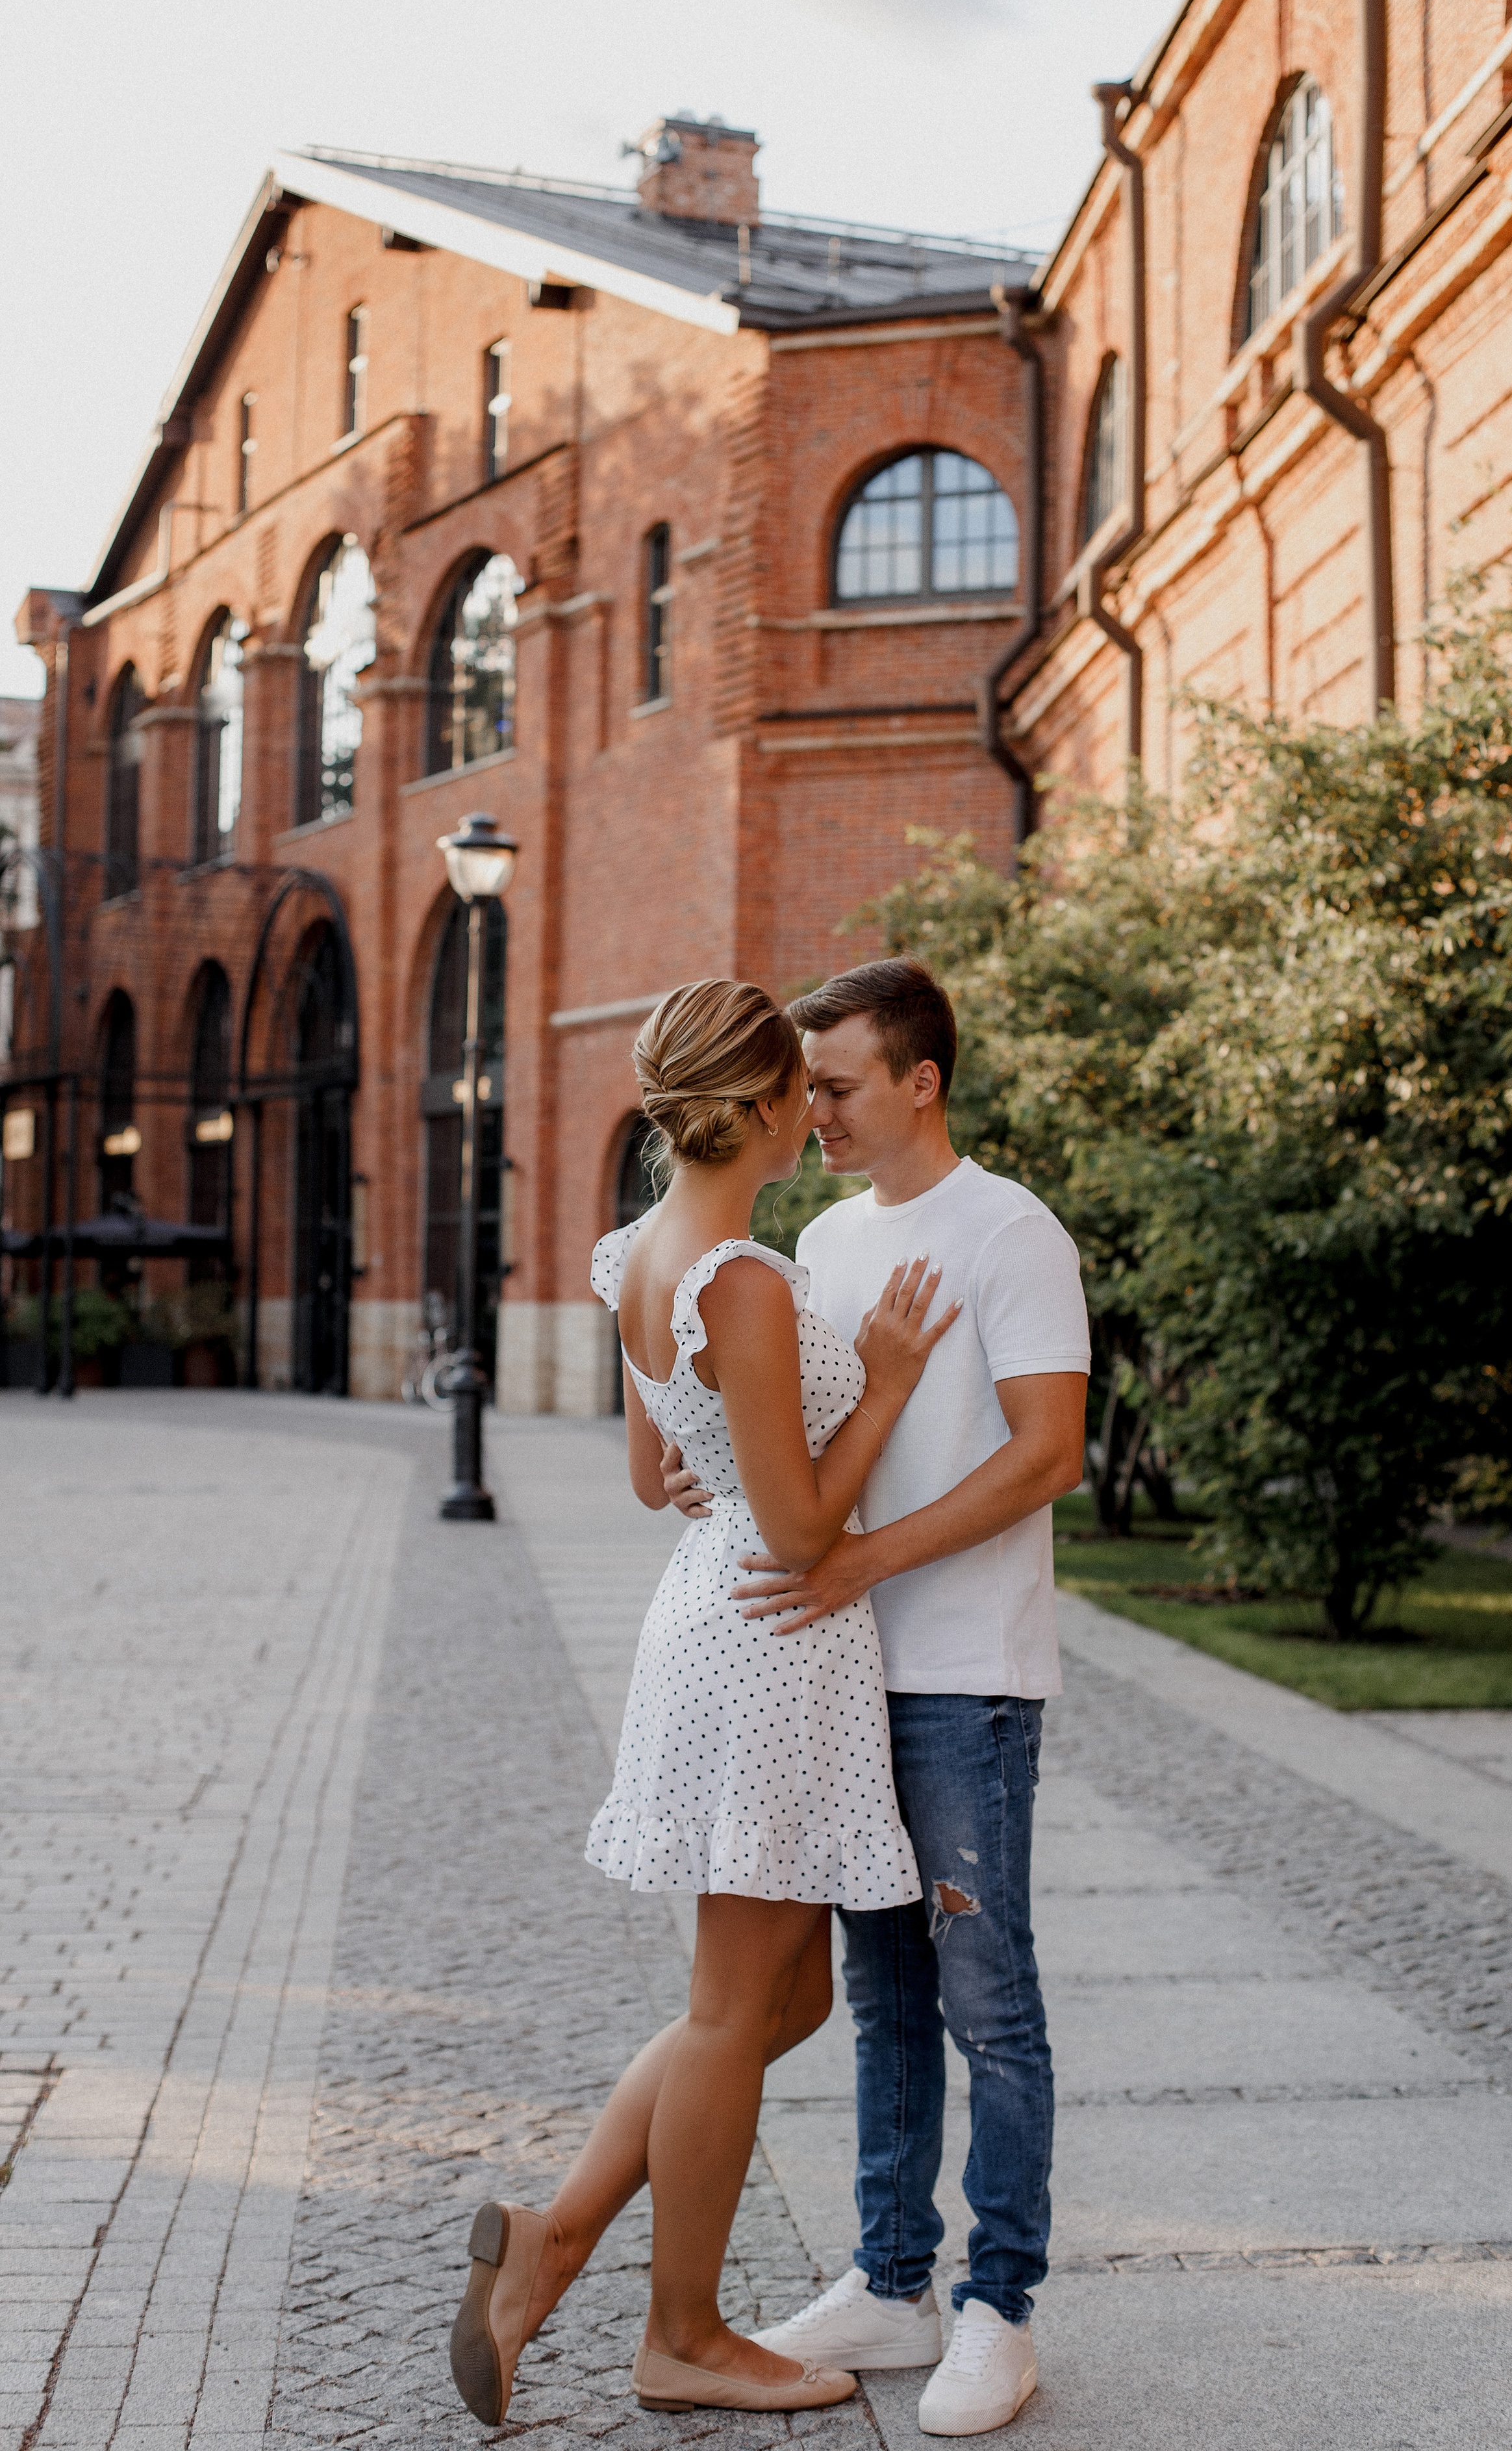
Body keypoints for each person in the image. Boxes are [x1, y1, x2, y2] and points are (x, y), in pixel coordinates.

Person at [448, 976, 959, 2427]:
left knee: (776, 1994)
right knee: (738, 2010)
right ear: (757, 1107)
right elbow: (802, 1536)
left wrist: (733, 1461)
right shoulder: (742, 1278)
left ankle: (550, 2244)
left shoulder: (637, 1254)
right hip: (769, 1631)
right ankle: (681, 2333)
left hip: (711, 1612)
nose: (818, 1104)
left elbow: (646, 1475)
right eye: (802, 1083)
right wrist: (885, 1381)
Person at [664, 956, 1088, 2437]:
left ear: (921, 1080)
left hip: (963, 1680)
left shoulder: (1010, 1232)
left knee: (990, 2003)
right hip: (835, 1683)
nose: (812, 1110)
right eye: (808, 1087)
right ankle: (891, 2280)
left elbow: (1047, 1455)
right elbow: (789, 1434)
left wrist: (859, 1562)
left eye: (837, 1084)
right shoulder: (820, 1241)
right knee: (882, 1999)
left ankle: (998, 2308)